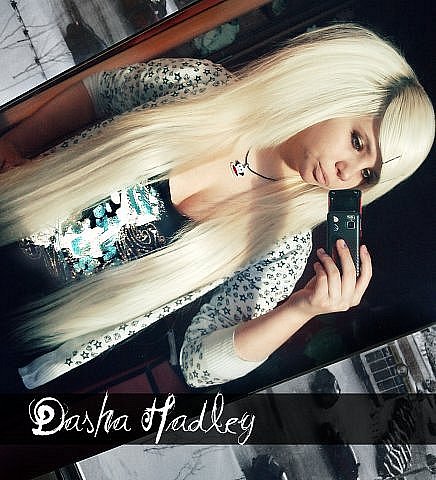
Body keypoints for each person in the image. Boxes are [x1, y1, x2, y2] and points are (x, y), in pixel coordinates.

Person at [0, 24, 433, 390]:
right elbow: (101, 92)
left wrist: (303, 308)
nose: (347, 172)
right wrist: (14, 145)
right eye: (357, 141)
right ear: (336, 92)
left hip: (20, 337)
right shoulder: (202, 87)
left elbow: (199, 364)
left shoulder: (282, 245)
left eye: (368, 174)